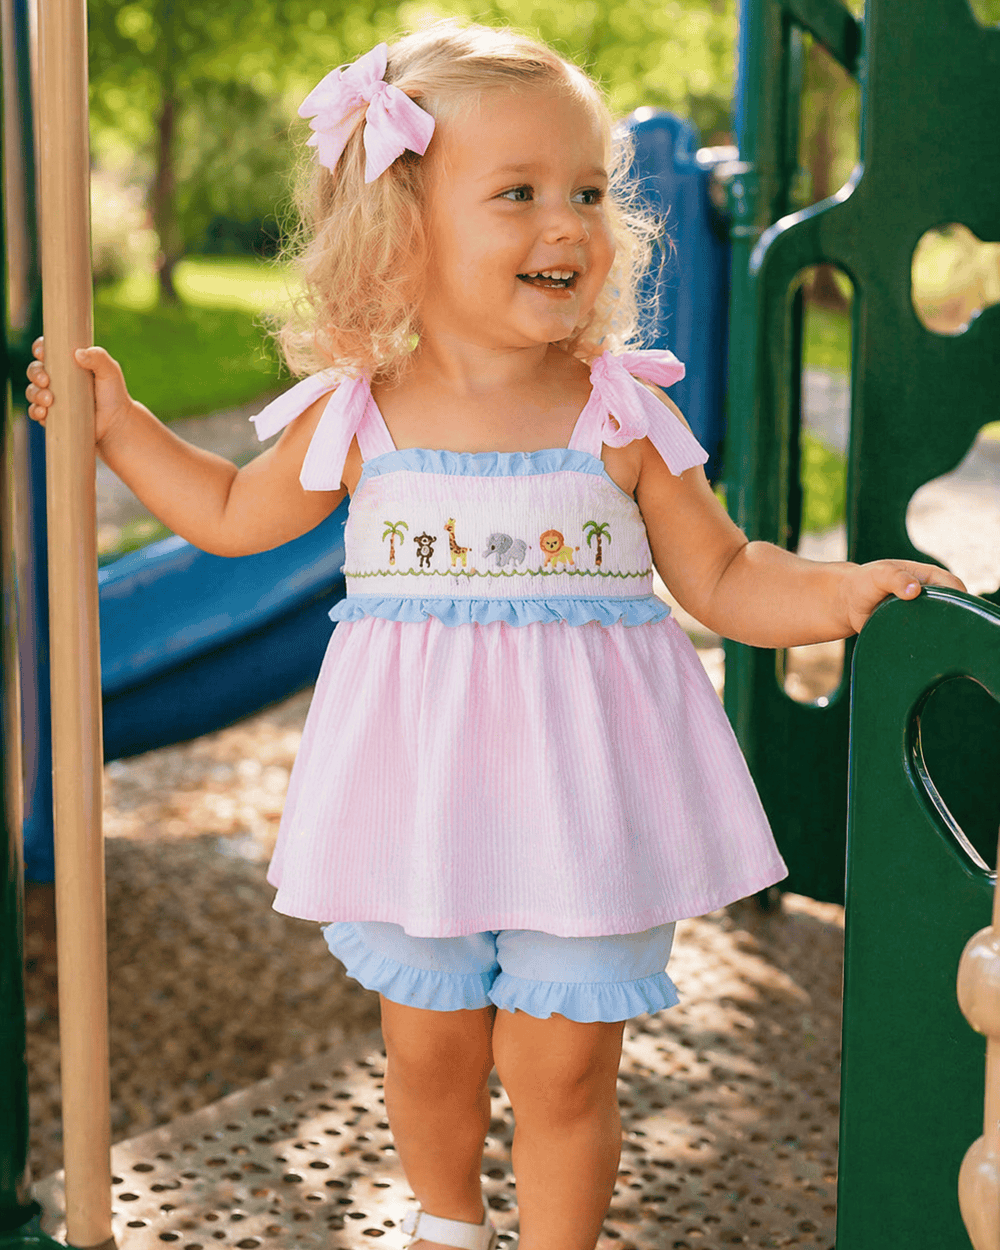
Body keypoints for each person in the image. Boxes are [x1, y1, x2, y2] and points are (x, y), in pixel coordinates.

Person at [26, 21, 966, 1250]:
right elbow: (225, 514)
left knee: (565, 1065)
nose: (564, 223)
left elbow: (725, 574)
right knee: (428, 1048)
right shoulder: (358, 413)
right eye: (516, 194)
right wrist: (120, 425)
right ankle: (447, 1222)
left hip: (588, 800)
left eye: (585, 190)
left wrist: (838, 591)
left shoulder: (619, 410)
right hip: (415, 794)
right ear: (403, 228)